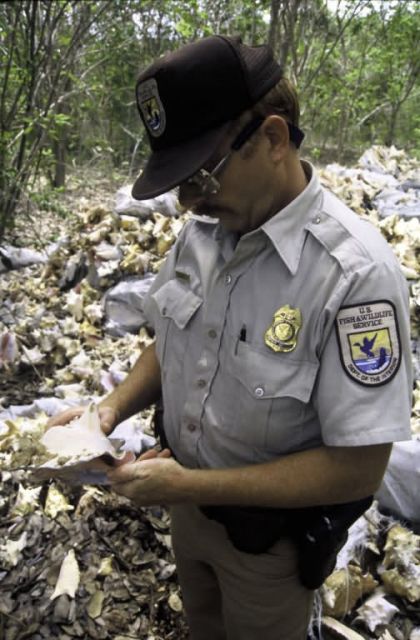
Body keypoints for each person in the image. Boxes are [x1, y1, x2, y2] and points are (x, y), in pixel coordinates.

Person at [49, 35, 413, 640]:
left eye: (201, 176)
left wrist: (189, 484)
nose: (188, 200)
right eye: (179, 182)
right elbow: (173, 339)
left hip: (268, 544)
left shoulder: (353, 276)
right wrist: (106, 412)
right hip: (186, 507)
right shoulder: (205, 234)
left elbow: (357, 470)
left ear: (271, 139)